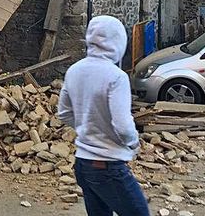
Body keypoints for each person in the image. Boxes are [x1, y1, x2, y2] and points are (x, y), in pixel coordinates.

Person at [57, 15, 149, 216]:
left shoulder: (74, 71)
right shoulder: (116, 77)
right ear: (119, 41)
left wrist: (86, 127)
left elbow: (63, 113)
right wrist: (134, 143)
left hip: (83, 163)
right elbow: (123, 125)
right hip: (107, 164)